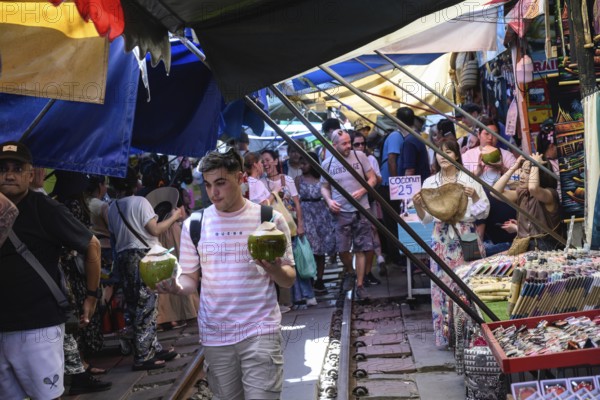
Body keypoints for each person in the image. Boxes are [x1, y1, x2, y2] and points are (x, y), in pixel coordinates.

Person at [158, 148, 296, 400]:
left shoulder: (269, 220)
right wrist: (175, 287)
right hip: (216, 334)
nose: (213, 192)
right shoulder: (195, 225)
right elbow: (189, 278)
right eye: (208, 185)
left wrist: (275, 269)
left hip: (260, 329)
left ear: (241, 178)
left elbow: (288, 278)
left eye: (220, 183)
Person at [0, 141, 102, 399]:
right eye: (2, 168)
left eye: (16, 168)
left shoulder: (44, 208)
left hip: (37, 327)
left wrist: (92, 295)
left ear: (30, 173)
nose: (9, 174)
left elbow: (91, 245)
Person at [412, 138, 490, 347]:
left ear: (456, 155)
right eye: (439, 152)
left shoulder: (469, 180)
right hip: (441, 238)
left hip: (467, 234)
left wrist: (474, 196)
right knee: (442, 288)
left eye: (448, 151)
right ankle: (446, 336)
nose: (443, 156)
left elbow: (483, 211)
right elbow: (426, 219)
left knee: (471, 284)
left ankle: (474, 335)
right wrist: (417, 205)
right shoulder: (430, 183)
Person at [107, 167, 185, 371]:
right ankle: (143, 356)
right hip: (144, 257)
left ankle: (152, 346)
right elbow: (155, 229)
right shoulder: (140, 202)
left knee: (135, 305)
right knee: (147, 305)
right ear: (135, 183)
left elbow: (115, 237)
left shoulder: (111, 207)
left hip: (124, 258)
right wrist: (175, 216)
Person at [321, 129, 377, 299]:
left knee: (361, 248)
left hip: (361, 209)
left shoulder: (360, 157)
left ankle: (359, 285)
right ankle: (351, 271)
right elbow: (324, 187)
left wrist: (362, 190)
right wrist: (329, 201)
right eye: (344, 143)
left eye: (349, 142)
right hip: (341, 212)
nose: (348, 146)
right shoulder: (327, 164)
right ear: (334, 145)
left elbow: (372, 178)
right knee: (342, 249)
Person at [493, 153, 563, 251]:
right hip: (527, 250)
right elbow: (495, 192)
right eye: (521, 171)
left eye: (527, 172)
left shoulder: (550, 194)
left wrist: (535, 165)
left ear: (538, 174)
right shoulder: (522, 193)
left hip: (547, 250)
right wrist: (514, 166)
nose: (521, 176)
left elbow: (533, 188)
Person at [378, 107, 415, 269]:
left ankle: (398, 255)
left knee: (397, 221)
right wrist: (396, 184)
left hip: (392, 185)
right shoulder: (395, 136)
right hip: (388, 186)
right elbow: (392, 160)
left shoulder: (401, 136)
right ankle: (396, 257)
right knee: (393, 222)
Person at [295, 151, 336, 293]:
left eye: (304, 163)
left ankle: (320, 279)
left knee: (321, 249)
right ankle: (311, 278)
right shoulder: (298, 180)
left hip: (320, 214)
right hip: (306, 214)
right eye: (301, 163)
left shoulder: (321, 179)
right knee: (310, 248)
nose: (302, 166)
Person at [351, 132, 384, 286]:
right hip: (349, 207)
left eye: (362, 144)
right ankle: (356, 274)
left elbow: (378, 178)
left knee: (370, 235)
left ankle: (368, 272)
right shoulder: (343, 160)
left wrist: (368, 176)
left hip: (368, 202)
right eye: (356, 144)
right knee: (353, 244)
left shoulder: (369, 159)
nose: (360, 147)